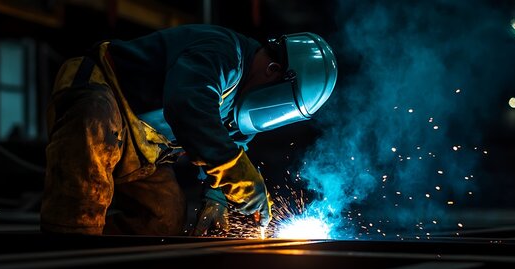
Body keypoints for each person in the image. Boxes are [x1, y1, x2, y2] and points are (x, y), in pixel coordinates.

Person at [40, 24, 337, 236]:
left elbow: (233, 146)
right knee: (90, 160)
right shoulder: (223, 53)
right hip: (101, 89)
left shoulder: (241, 111)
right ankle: (65, 261)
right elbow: (188, 107)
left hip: (144, 144)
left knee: (165, 219)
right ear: (274, 71)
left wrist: (218, 199)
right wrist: (245, 183)